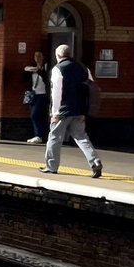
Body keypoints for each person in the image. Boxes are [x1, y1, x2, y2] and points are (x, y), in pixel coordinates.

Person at [39, 44, 102, 178]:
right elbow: (91, 88)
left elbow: (56, 92)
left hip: (62, 111)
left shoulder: (58, 69)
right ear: (71, 55)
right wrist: (87, 109)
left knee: (55, 138)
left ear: (58, 56)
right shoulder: (84, 68)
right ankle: (95, 162)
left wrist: (54, 113)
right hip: (79, 110)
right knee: (81, 137)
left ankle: (51, 166)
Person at [23, 50, 49, 144]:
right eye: (35, 56)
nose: (37, 58)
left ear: (43, 57)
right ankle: (38, 134)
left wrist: (40, 71)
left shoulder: (46, 66)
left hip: (42, 94)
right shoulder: (32, 67)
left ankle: (39, 135)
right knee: (34, 114)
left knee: (35, 114)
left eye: (39, 56)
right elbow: (24, 78)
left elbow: (46, 78)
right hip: (31, 93)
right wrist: (32, 70)